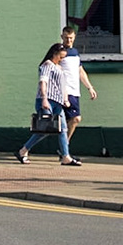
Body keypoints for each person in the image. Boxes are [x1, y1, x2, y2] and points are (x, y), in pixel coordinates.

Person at [17, 45, 78, 165]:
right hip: (47, 100)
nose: (61, 59)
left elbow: (63, 86)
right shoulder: (47, 65)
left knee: (62, 129)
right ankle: (23, 150)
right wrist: (44, 99)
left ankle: (66, 156)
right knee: (44, 129)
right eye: (60, 57)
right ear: (54, 54)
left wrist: (65, 99)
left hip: (58, 102)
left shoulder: (59, 68)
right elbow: (43, 81)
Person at [54, 23, 97, 161]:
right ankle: (64, 150)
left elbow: (80, 71)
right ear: (62, 37)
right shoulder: (59, 52)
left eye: (71, 38)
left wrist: (89, 87)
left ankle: (64, 149)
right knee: (73, 119)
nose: (68, 41)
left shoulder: (75, 53)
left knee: (72, 120)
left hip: (75, 92)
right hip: (64, 92)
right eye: (66, 38)